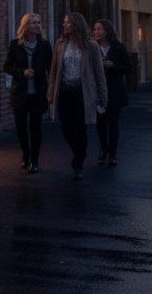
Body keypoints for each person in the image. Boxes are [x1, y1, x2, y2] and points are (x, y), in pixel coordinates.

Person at [47, 12, 108, 179]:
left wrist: (103, 96)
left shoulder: (91, 46)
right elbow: (54, 71)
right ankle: (79, 152)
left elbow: (99, 72)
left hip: (83, 92)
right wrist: (51, 92)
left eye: (67, 23)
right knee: (66, 129)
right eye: (64, 22)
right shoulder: (60, 44)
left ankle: (79, 163)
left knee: (80, 129)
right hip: (65, 91)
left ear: (76, 25)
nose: (64, 25)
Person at [3, 13, 53, 173]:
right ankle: (26, 153)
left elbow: (51, 68)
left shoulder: (44, 45)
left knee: (36, 127)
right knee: (21, 127)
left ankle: (35, 160)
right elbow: (7, 66)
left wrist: (52, 88)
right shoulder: (15, 45)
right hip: (20, 92)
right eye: (33, 23)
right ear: (26, 26)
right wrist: (21, 72)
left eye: (39, 22)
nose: (37, 25)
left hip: (38, 92)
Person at [93, 19, 131, 166]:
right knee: (100, 123)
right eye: (95, 29)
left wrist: (114, 65)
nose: (96, 32)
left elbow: (128, 67)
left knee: (113, 123)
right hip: (97, 91)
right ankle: (103, 148)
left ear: (107, 31)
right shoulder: (92, 47)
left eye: (99, 29)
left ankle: (113, 154)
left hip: (114, 90)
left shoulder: (118, 47)